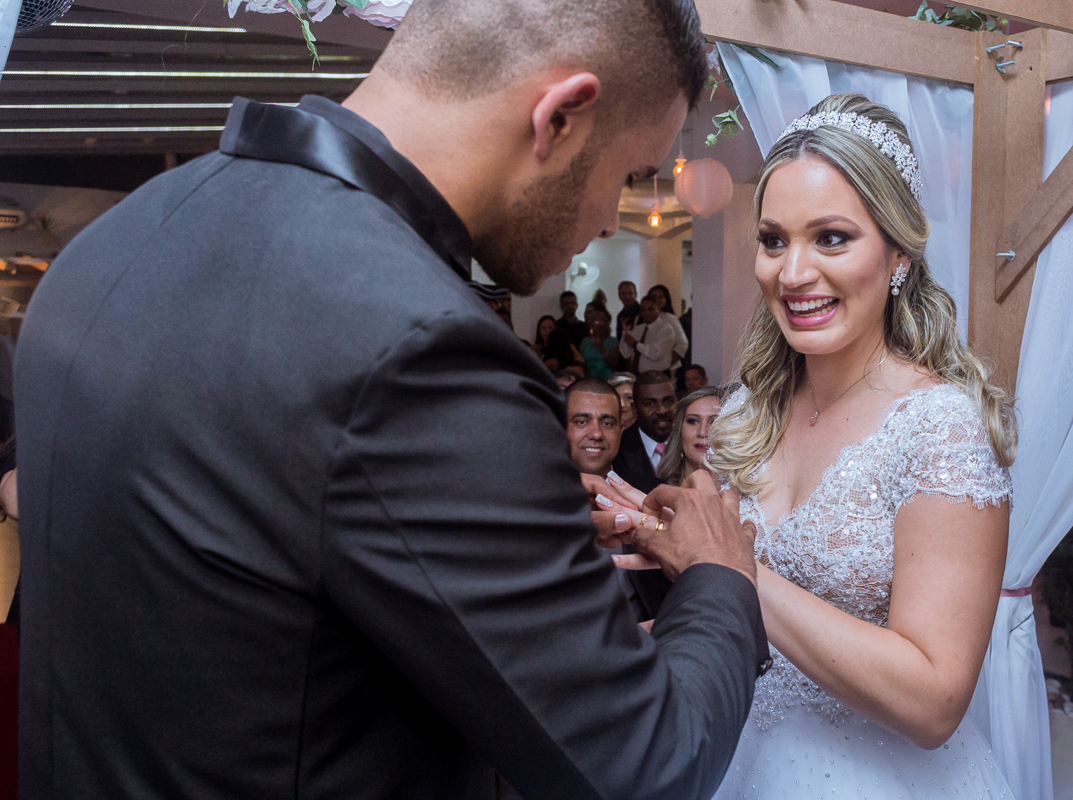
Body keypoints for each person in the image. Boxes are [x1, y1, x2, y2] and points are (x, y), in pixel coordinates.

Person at [13, 3, 772, 800]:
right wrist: (721, 579)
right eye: (625, 176)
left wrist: (504, 526)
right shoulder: (420, 345)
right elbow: (650, 768)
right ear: (560, 118)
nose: (599, 220)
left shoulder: (116, 238)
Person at [681, 94, 1013, 798]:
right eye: (773, 240)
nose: (792, 273)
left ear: (897, 253)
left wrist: (727, 569)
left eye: (829, 238)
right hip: (737, 753)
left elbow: (933, 702)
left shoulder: (936, 427)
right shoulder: (748, 412)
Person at [612, 370, 676, 494]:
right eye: (650, 404)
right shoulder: (618, 448)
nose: (661, 410)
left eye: (668, 401)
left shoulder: (690, 442)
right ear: (634, 408)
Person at [656, 387, 722, 486]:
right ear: (680, 428)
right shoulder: (656, 488)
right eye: (693, 421)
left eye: (714, 422)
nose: (702, 432)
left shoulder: (746, 495)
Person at [565, 378, 622, 479]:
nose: (596, 434)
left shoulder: (649, 492)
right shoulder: (533, 491)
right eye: (581, 422)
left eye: (607, 423)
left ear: (620, 430)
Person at [620, 296, 676, 374]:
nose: (646, 313)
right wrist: (625, 333)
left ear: (658, 309)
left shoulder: (666, 329)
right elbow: (625, 354)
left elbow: (655, 354)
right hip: (637, 375)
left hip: (657, 376)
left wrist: (635, 344)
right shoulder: (638, 329)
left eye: (651, 309)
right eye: (643, 310)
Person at [647, 283, 689, 365]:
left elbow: (683, 344)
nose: (656, 299)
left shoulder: (670, 319)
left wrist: (669, 362)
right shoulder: (640, 318)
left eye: (660, 297)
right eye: (654, 296)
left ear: (665, 301)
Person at [578, 305, 620, 380]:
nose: (600, 325)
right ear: (591, 324)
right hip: (588, 378)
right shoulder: (585, 341)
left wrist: (601, 348)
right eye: (597, 322)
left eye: (603, 322)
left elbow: (614, 364)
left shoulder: (613, 341)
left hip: (607, 378)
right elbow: (580, 363)